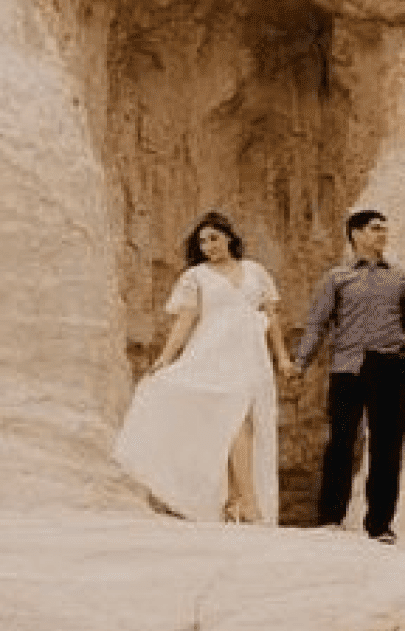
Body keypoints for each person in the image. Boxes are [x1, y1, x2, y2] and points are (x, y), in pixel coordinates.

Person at [113, 212, 294, 524]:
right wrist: (165, 359)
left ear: (229, 237)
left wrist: (282, 357)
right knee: (235, 420)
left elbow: (272, 318)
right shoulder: (196, 276)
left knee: (246, 423)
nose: (208, 245)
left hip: (250, 356)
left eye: (213, 238)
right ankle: (246, 504)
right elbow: (185, 322)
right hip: (211, 354)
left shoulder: (255, 271)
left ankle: (236, 501)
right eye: (202, 241)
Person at [289, 209, 405, 543]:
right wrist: (300, 362)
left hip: (390, 366)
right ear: (356, 234)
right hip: (346, 366)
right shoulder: (337, 278)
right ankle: (331, 517)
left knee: (387, 447)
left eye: (384, 229)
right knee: (340, 443)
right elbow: (318, 323)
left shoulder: (401, 278)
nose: (382, 235)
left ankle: (379, 525)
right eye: (376, 229)